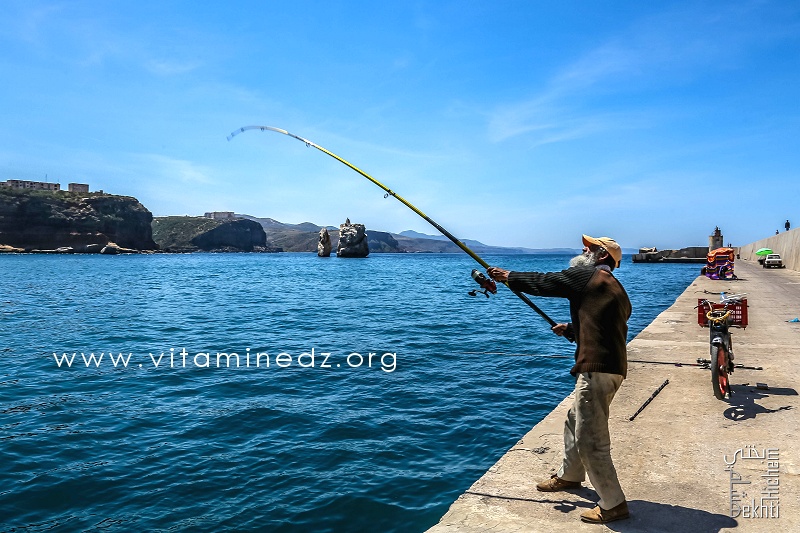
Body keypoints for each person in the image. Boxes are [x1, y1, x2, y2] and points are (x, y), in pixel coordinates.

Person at [487, 235, 631, 524]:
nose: (583, 249)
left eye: (589, 247)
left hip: (598, 369)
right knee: (574, 419)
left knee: (590, 437)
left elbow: (546, 281)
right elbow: (605, 326)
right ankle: (570, 476)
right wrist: (574, 330)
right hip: (612, 367)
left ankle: (613, 503)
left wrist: (509, 276)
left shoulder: (587, 274)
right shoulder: (612, 288)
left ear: (602, 256)